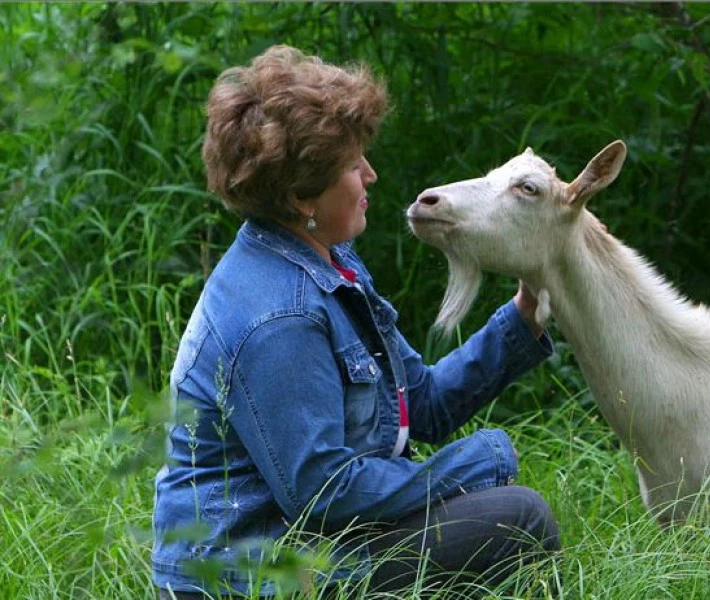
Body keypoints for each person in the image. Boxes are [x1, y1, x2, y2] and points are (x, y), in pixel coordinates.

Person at [152, 45, 560, 599]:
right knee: (517, 517)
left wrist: (522, 318)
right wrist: (479, 460)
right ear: (301, 196)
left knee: (495, 512)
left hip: (303, 543)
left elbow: (421, 406)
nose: (371, 173)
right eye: (352, 164)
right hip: (248, 576)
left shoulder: (327, 261)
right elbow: (324, 492)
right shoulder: (281, 316)